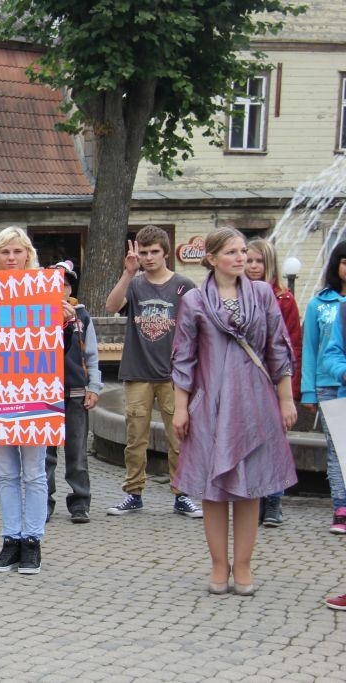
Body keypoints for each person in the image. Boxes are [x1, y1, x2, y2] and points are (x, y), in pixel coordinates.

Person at [171, 228, 297, 596]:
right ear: (211, 258)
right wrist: (181, 408)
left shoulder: (262, 294)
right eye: (232, 252)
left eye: (244, 250)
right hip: (210, 402)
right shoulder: (194, 300)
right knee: (213, 490)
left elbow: (278, 347)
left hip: (255, 401)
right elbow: (183, 356)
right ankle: (218, 566)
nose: (241, 258)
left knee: (250, 488)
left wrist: (286, 398)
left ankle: (243, 567)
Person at [104, 225, 202, 518]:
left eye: (154, 252)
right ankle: (133, 493)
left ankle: (182, 494)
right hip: (138, 371)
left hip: (175, 375)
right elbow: (111, 306)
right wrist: (127, 273)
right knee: (135, 437)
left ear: (165, 253)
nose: (148, 257)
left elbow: (199, 327)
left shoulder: (184, 285)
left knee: (179, 438)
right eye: (143, 252)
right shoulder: (134, 284)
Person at [0, 228, 57, 574]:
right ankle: (10, 539)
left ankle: (33, 542)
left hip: (34, 394)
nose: (11, 258)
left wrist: (65, 322)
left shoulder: (45, 291)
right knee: (7, 474)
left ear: (28, 254)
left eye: (17, 251)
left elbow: (58, 346)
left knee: (34, 473)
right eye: (4, 252)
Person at [245, 238, 302, 527]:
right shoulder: (235, 296)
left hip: (274, 380)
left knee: (276, 442)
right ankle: (254, 499)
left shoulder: (284, 300)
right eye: (250, 261)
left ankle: (274, 502)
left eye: (260, 262)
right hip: (245, 380)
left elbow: (293, 345)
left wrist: (290, 392)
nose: (254, 267)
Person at [45, 260, 102, 524]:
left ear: (71, 288)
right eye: (55, 284)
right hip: (45, 393)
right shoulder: (38, 313)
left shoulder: (82, 315)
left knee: (77, 452)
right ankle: (44, 502)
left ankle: (80, 502)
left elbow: (91, 355)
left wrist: (94, 387)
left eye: (65, 284)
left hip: (76, 390)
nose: (61, 289)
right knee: (45, 456)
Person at [301, 240, 346, 535]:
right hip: (330, 386)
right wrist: (308, 391)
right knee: (337, 450)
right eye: (344, 261)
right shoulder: (320, 303)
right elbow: (311, 349)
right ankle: (340, 508)